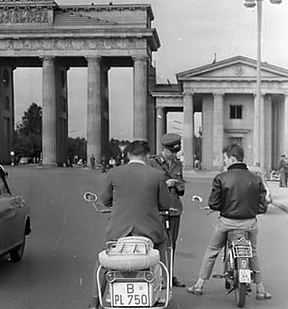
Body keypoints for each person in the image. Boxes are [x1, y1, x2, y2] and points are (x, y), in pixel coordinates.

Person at [87, 140, 171, 309]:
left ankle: (95, 300)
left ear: (127, 155)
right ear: (147, 155)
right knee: (163, 246)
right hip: (150, 231)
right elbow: (165, 204)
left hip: (118, 230)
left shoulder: (114, 172)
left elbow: (104, 200)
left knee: (104, 260)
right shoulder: (156, 175)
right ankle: (163, 286)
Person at [187, 143, 271, 300]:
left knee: (212, 250)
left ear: (232, 158)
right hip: (249, 223)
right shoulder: (256, 178)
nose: (224, 162)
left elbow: (214, 203)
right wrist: (252, 212)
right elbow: (262, 205)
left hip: (227, 222)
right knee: (253, 252)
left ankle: (199, 284)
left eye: (225, 159)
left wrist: (223, 208)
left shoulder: (221, 178)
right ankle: (260, 289)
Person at [146, 132, 186, 287]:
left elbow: (182, 189)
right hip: (157, 209)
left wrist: (178, 185)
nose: (173, 155)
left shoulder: (178, 164)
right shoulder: (152, 163)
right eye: (171, 152)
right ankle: (157, 276)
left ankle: (169, 275)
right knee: (157, 244)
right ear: (164, 149)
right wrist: (165, 184)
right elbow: (147, 186)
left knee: (171, 244)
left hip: (174, 208)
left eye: (176, 152)